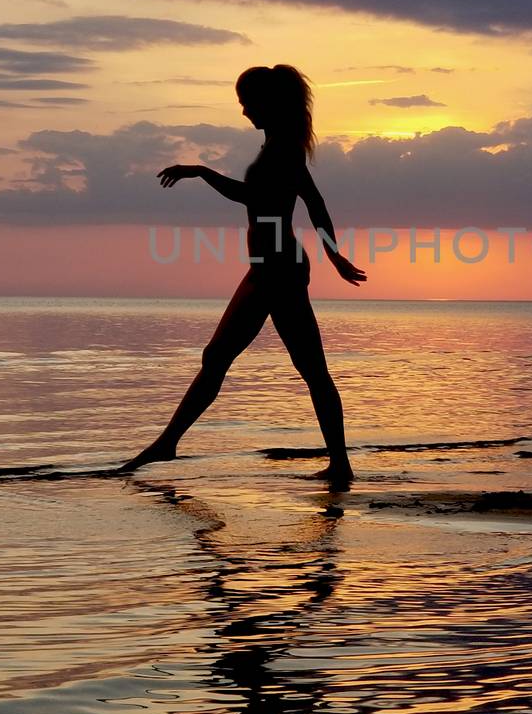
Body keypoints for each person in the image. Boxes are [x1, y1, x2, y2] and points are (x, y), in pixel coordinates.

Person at [117, 64, 366, 483]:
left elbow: (256, 196)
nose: (245, 112)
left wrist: (201, 172)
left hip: (278, 269)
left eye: (248, 103)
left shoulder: (282, 149)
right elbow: (315, 203)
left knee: (293, 367)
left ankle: (168, 445)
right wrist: (333, 256)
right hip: (270, 267)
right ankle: (170, 445)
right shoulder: (280, 146)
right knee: (236, 359)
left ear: (268, 103)